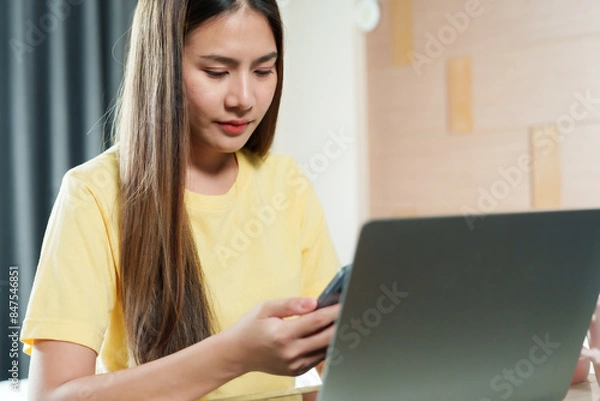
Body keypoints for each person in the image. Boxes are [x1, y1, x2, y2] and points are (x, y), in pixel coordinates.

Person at [20, 0, 342, 400]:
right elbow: (52, 396)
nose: (244, 98)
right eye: (217, 72)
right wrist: (236, 355)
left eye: (263, 70)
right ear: (162, 67)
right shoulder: (94, 195)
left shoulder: (287, 184)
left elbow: (342, 367)